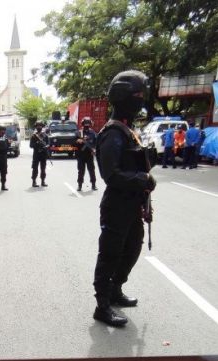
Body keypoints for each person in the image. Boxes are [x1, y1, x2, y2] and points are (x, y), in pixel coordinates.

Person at [93, 71, 157, 327]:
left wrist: (145, 200)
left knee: (131, 250)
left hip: (132, 206)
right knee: (110, 254)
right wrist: (141, 180)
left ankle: (116, 291)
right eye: (137, 96)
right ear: (123, 98)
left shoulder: (128, 130)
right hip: (116, 206)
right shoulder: (112, 133)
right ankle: (102, 305)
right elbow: (111, 175)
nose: (141, 100)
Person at [75, 118, 97, 191]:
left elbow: (96, 142)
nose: (87, 126)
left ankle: (93, 185)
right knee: (81, 170)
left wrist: (94, 149)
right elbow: (73, 142)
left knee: (91, 170)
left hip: (89, 155)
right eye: (85, 125)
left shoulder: (93, 133)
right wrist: (78, 141)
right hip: (81, 155)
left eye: (88, 125)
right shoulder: (78, 132)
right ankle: (79, 185)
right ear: (83, 124)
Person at [29, 122, 49, 187]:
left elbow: (48, 144)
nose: (39, 127)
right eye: (37, 126)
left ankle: (43, 181)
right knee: (35, 168)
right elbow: (31, 145)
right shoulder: (34, 136)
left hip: (43, 154)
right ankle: (34, 181)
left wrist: (46, 146)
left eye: (40, 126)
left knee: (43, 169)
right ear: (36, 127)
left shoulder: (45, 135)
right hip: (36, 154)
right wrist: (37, 143)